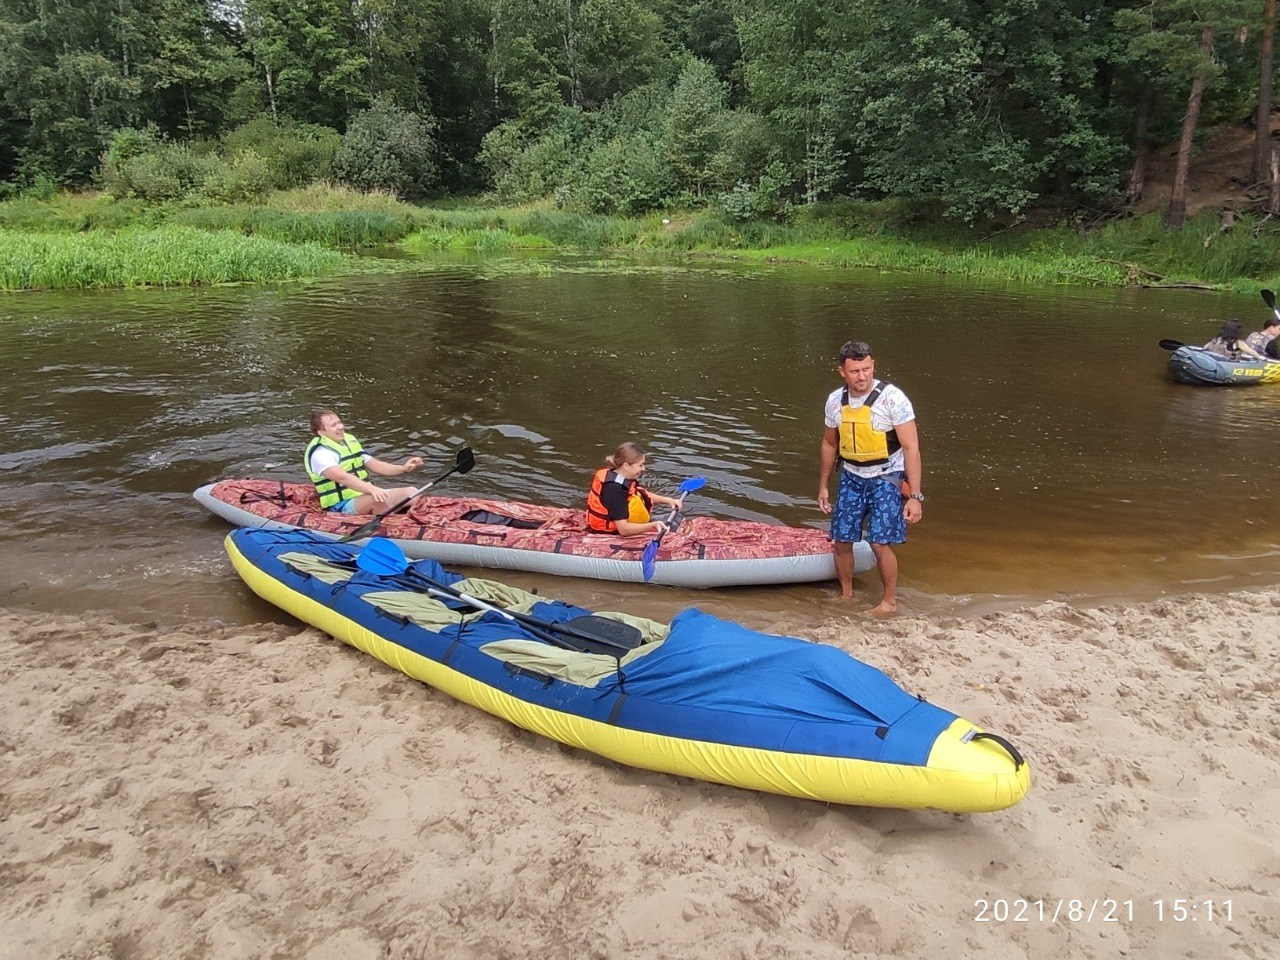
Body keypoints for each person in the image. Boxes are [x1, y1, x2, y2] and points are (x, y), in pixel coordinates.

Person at [818, 340, 923, 614]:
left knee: (879, 542)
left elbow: (911, 447)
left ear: (873, 365)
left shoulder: (893, 399)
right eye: (855, 371)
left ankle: (889, 602)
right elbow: (829, 444)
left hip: (887, 477)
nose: (862, 376)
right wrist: (823, 485)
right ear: (842, 371)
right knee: (842, 540)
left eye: (866, 369)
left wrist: (915, 496)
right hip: (851, 476)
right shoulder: (835, 401)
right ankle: (846, 595)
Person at [304, 409, 424, 515]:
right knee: (378, 500)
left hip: (363, 495)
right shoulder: (320, 453)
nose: (340, 427)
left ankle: (417, 521)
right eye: (334, 425)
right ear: (321, 432)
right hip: (341, 505)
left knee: (412, 492)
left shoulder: (349, 441)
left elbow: (376, 465)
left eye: (339, 422)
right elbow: (343, 478)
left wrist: (403, 468)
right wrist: (372, 489)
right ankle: (387, 526)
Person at [586, 442, 685, 536]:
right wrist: (652, 526)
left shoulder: (622, 476)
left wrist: (668, 500)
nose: (643, 468)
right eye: (640, 465)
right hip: (613, 532)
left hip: (628, 523)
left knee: (677, 518)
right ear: (626, 466)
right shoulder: (614, 490)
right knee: (673, 527)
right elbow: (623, 530)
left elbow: (641, 493)